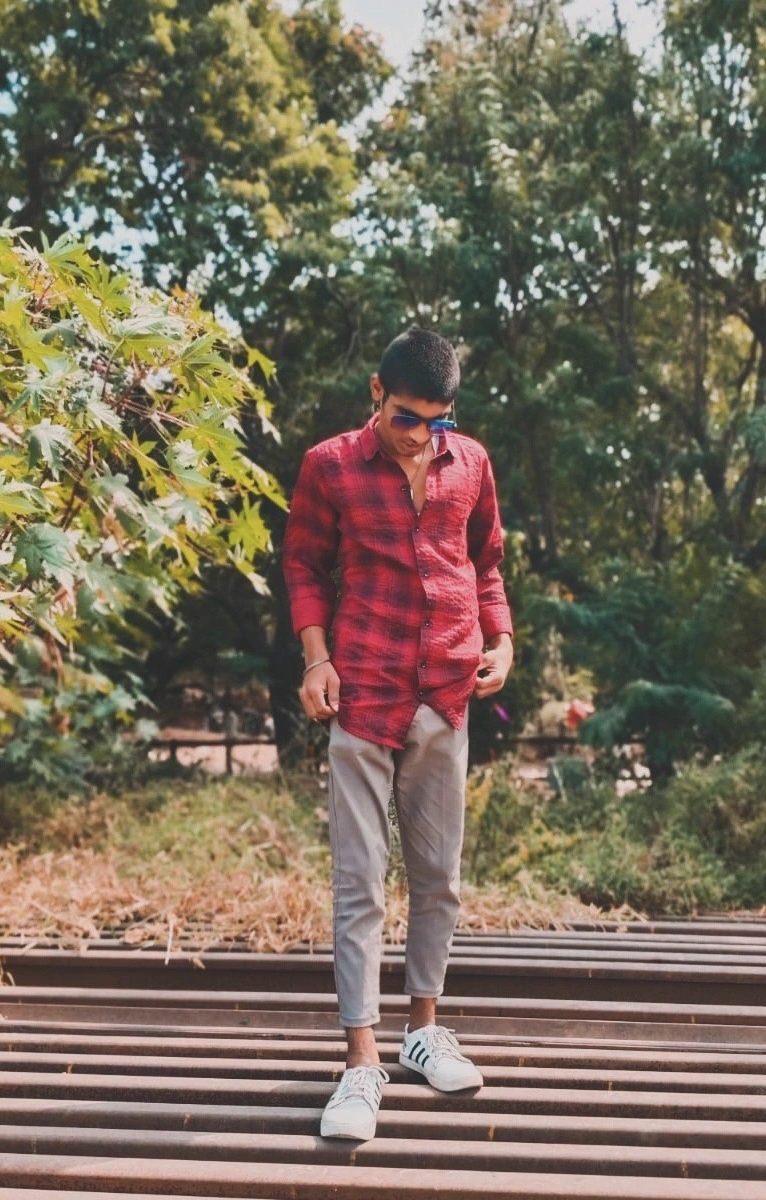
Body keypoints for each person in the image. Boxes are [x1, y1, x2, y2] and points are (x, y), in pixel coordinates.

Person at [282, 327, 513, 1141]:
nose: (421, 435)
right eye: (408, 417)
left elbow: (486, 561)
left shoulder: (471, 463)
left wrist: (503, 640)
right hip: (362, 690)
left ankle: (423, 1030)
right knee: (361, 884)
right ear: (377, 393)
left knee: (439, 877)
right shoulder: (330, 466)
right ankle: (360, 1064)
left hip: (446, 691)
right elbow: (304, 565)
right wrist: (316, 659)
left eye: (437, 420)